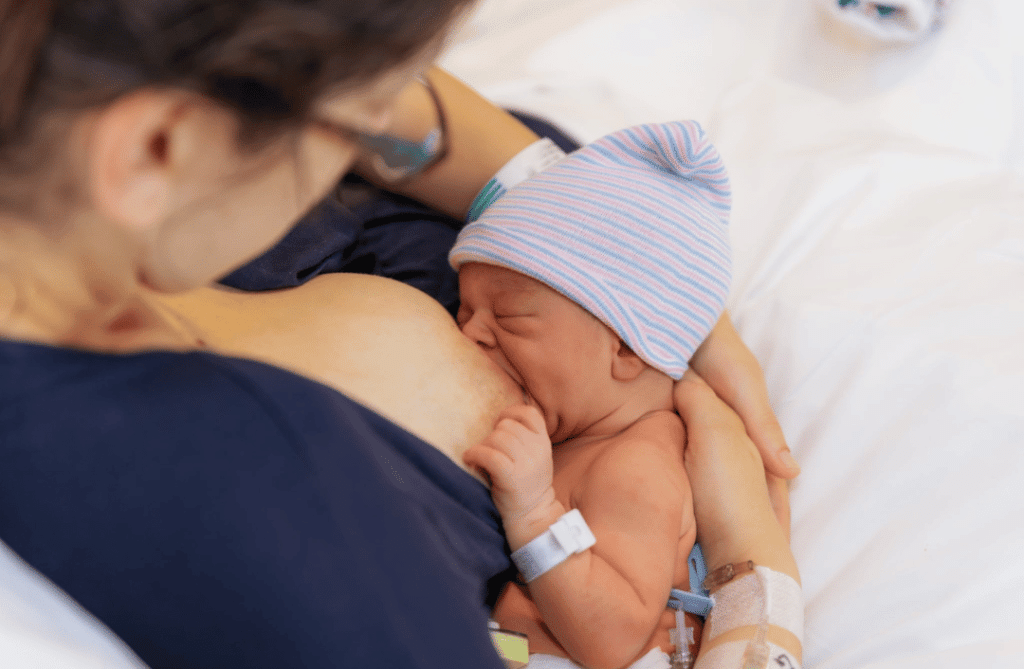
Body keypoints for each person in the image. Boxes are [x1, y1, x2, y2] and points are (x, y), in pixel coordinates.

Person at [0, 1, 798, 668]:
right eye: (361, 129)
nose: (386, 145)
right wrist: (754, 561)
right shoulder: (276, 489)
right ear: (155, 149)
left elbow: (462, 139)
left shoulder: (133, 200)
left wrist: (672, 299)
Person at [449, 121, 802, 669]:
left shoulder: (635, 466)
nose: (470, 333)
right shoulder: (579, 433)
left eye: (512, 318)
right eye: (464, 310)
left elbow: (610, 639)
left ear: (628, 349)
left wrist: (537, 515)